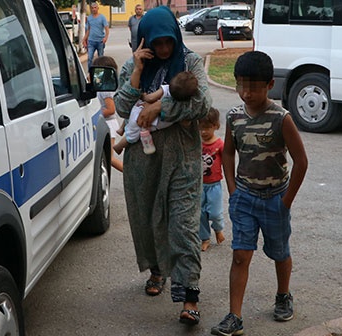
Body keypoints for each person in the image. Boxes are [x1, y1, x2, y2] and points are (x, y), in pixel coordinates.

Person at [113, 6, 212, 326]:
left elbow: (202, 103)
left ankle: (190, 298)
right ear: (146, 40)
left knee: (184, 225)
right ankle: (157, 271)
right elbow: (122, 105)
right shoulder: (134, 62)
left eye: (169, 42)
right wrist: (138, 70)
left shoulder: (190, 62)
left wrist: (158, 106)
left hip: (182, 159)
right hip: (144, 161)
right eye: (158, 43)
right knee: (147, 220)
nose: (164, 49)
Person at [211, 51, 308, 336]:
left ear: (269, 85)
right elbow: (227, 153)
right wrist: (232, 190)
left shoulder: (282, 118)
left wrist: (286, 201)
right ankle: (234, 316)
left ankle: (283, 295)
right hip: (244, 198)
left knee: (279, 252)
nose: (245, 92)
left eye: (253, 86)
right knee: (240, 255)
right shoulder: (234, 117)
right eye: (241, 85)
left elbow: (301, 161)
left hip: (275, 198)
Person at [113, 71, 198, 154]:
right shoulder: (181, 107)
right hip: (149, 123)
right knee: (132, 137)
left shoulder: (166, 88)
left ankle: (121, 130)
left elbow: (150, 98)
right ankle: (118, 147)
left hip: (140, 110)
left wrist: (143, 96)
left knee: (132, 122)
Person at [199, 107, 225, 252]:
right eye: (201, 128)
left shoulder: (219, 144)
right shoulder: (197, 143)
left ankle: (218, 228)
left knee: (215, 212)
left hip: (214, 185)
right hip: (200, 185)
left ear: (215, 126)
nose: (204, 132)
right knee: (200, 212)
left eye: (207, 128)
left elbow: (228, 160)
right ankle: (205, 237)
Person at [91, 56, 123, 172]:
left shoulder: (105, 90)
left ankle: (131, 175)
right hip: (107, 124)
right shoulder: (103, 86)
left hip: (109, 125)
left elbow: (111, 109)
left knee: (109, 158)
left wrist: (98, 114)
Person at [83, 2, 109, 67]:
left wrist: (105, 37)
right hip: (91, 41)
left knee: (101, 59)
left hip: (100, 41)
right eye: (92, 8)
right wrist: (84, 39)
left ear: (98, 8)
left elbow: (107, 29)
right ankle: (90, 73)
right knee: (89, 58)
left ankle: (101, 72)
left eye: (95, 8)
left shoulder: (102, 17)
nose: (94, 9)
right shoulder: (89, 18)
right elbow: (88, 30)